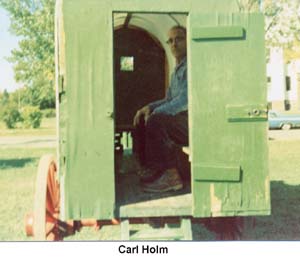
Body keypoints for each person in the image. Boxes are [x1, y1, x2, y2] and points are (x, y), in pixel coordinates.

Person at [133, 25, 188, 193]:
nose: (174, 44)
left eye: (179, 39)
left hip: (191, 122)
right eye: (170, 41)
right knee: (143, 116)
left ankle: (170, 177)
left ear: (188, 40)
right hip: (179, 121)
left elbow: (185, 100)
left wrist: (157, 112)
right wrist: (148, 107)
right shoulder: (176, 70)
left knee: (156, 120)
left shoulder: (191, 66)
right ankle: (151, 168)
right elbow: (169, 99)